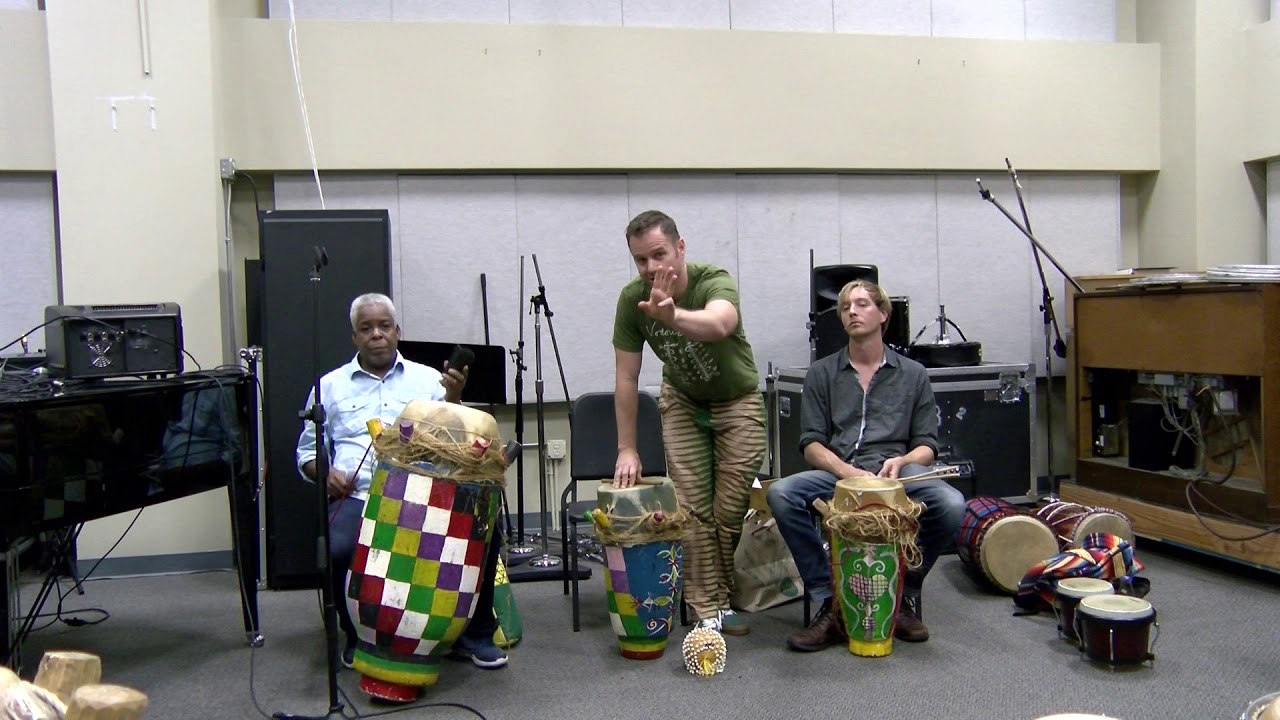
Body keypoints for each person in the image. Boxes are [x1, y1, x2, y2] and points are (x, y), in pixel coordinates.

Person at [296, 292, 507, 669]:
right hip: (360, 496)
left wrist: (454, 400)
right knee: (337, 545)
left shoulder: (429, 380)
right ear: (354, 337)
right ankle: (358, 634)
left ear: (397, 331)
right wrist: (325, 474)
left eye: (384, 326)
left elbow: (456, 442)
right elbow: (307, 454)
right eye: (366, 328)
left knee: (484, 532)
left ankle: (474, 634)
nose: (376, 334)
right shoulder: (328, 386)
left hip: (428, 498)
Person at [766, 279, 965, 651]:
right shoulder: (822, 373)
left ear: (883, 314)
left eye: (861, 304)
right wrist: (846, 472)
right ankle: (831, 600)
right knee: (781, 494)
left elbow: (927, 446)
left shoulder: (913, 374)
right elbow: (810, 444)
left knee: (951, 504)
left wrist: (902, 461)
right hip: (840, 472)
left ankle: (903, 591)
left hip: (897, 474)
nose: (852, 312)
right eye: (845, 307)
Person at [612, 210, 767, 635]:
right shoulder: (632, 300)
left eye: (659, 255)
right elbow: (626, 377)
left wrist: (672, 316)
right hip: (682, 401)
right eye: (641, 260)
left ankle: (719, 590)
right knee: (694, 511)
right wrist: (627, 447)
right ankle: (708, 609)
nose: (650, 268)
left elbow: (719, 323)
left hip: (737, 402)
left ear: (680, 248)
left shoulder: (711, 279)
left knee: (729, 511)